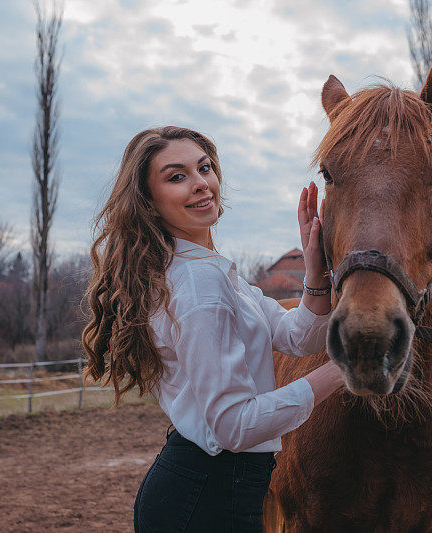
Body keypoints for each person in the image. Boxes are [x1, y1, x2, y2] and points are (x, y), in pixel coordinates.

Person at [81, 126, 344, 532]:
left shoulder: (214, 273)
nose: (201, 184)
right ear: (149, 202)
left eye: (204, 168)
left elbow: (298, 336)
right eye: (176, 176)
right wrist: (341, 369)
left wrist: (315, 267)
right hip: (207, 498)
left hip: (211, 490)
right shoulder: (198, 283)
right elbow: (234, 425)